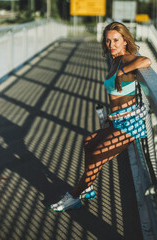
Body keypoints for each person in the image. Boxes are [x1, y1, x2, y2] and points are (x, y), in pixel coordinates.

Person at [49, 21, 152, 212]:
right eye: (108, 41)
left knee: (97, 157)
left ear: (124, 41)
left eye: (116, 40)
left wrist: (122, 71)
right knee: (89, 141)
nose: (111, 44)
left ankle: (73, 196)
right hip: (117, 120)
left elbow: (146, 61)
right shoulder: (114, 60)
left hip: (130, 124)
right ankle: (87, 187)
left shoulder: (125, 58)